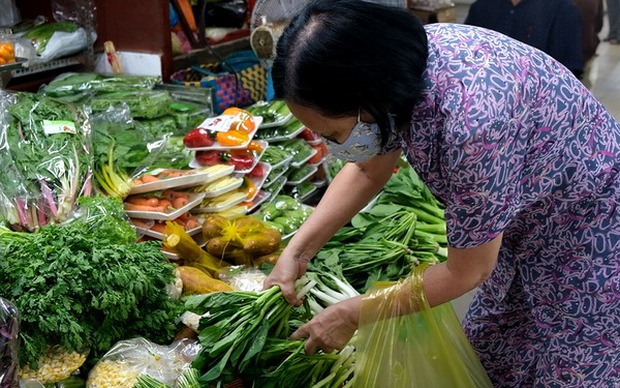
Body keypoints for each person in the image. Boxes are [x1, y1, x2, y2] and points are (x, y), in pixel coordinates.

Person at [263, 0, 620, 386]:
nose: (332, 147)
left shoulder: (473, 123)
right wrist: (296, 252)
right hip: (521, 222)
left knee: (571, 364)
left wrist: (355, 312)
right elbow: (368, 167)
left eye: (333, 135)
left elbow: (468, 270)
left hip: (588, 229)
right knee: (496, 350)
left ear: (368, 99)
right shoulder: (396, 64)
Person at [465, 0, 584, 78]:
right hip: (482, 100)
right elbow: (464, 56)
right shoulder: (482, 7)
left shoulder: (563, 10)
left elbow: (568, 73)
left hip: (534, 107)